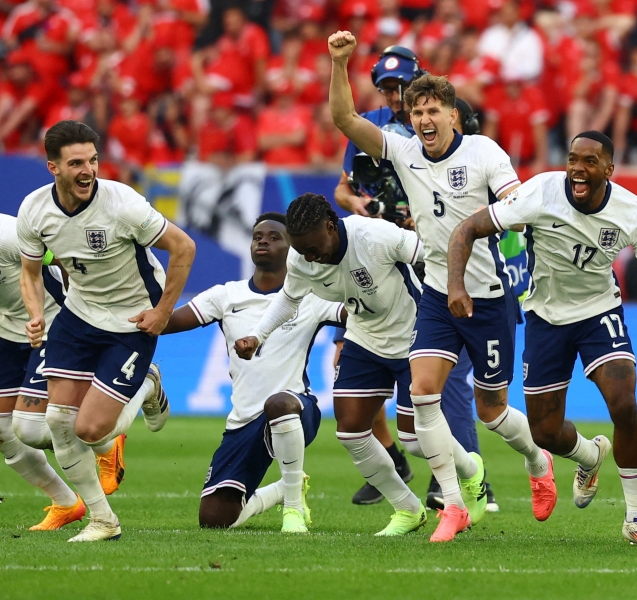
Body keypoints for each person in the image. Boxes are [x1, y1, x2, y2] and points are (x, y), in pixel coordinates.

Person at [328, 30, 554, 543]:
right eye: (417, 112)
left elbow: (514, 205)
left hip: (488, 298)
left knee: (491, 410)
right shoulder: (404, 154)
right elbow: (345, 119)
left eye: (434, 110)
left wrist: (513, 215)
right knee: (424, 394)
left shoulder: (483, 153)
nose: (425, 120)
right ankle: (452, 502)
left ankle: (537, 460)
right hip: (434, 294)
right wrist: (339, 63)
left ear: (453, 115)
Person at [447, 131, 637, 547]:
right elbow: (466, 229)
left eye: (589, 161)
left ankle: (636, 518)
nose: (578, 168)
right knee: (543, 431)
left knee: (624, 403)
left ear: (609, 170)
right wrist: (456, 286)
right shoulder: (540, 192)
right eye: (573, 159)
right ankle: (589, 455)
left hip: (600, 312)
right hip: (544, 317)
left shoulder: (632, 212)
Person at [16, 120, 195, 542]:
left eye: (93, 160)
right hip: (78, 315)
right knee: (57, 420)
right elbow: (29, 271)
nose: (88, 170)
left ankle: (148, 385)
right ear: (52, 168)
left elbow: (183, 247)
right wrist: (34, 313)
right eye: (76, 162)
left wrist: (163, 312)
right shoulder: (35, 210)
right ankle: (103, 520)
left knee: (92, 430)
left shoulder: (122, 204)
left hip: (132, 321)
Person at [331, 43, 490, 510]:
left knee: (449, 380)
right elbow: (345, 187)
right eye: (387, 87)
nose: (395, 95)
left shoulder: (448, 119)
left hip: (436, 257)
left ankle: (460, 476)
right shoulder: (378, 130)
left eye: (401, 87)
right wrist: (358, 205)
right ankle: (398, 461)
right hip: (379, 255)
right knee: (358, 359)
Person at [235, 195, 445, 537]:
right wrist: (258, 335)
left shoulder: (374, 235)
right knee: (350, 432)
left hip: (412, 336)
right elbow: (289, 299)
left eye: (314, 247)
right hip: (364, 338)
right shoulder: (302, 258)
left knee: (414, 440)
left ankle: (470, 472)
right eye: (302, 251)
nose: (310, 257)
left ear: (331, 227)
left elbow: (429, 254)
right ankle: (407, 509)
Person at [161, 212, 343, 532]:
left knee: (279, 403)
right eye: (258, 236)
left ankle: (293, 510)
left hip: (297, 408)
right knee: (215, 521)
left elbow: (356, 313)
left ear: (294, 249)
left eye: (275, 237)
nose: (263, 241)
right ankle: (288, 487)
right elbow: (167, 322)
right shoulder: (226, 295)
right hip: (243, 421)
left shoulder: (311, 296)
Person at [0, 210, 166, 531]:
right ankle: (66, 503)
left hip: (52, 319)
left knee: (34, 430)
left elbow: (65, 257)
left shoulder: (0, 233)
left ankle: (142, 387)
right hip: (6, 325)